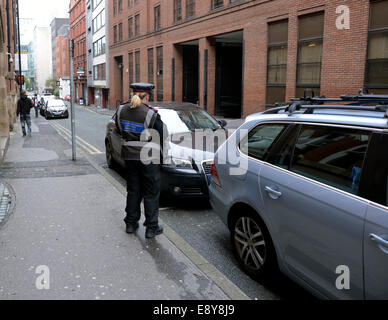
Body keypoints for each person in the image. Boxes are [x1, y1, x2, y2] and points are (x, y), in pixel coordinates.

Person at [116, 83, 166, 239]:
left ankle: (130, 224)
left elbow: (119, 130)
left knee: (133, 191)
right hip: (148, 158)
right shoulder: (151, 114)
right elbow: (161, 136)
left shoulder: (121, 110)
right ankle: (151, 228)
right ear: (148, 96)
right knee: (151, 193)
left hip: (129, 157)